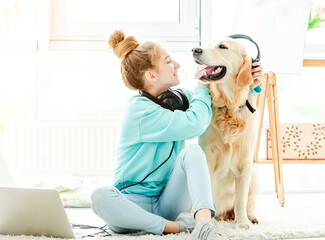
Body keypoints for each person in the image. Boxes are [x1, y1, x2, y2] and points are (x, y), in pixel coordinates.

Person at [90, 30, 264, 240]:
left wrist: (251, 87)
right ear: (152, 76)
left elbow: (221, 103)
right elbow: (197, 123)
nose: (178, 65)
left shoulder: (175, 98)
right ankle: (174, 228)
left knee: (193, 152)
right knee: (99, 195)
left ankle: (203, 225)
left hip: (167, 201)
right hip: (132, 204)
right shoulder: (138, 111)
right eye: (168, 61)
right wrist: (203, 84)